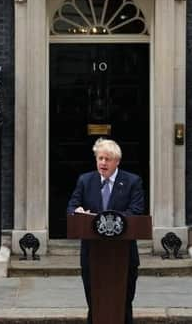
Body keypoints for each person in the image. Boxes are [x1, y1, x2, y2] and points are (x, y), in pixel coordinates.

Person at [67, 138, 144, 324]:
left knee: (123, 302)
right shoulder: (85, 181)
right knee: (95, 300)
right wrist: (77, 212)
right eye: (100, 158)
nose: (103, 163)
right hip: (93, 254)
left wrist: (103, 219)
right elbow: (72, 206)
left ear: (117, 161)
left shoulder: (132, 181)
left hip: (123, 255)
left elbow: (135, 212)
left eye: (107, 159)